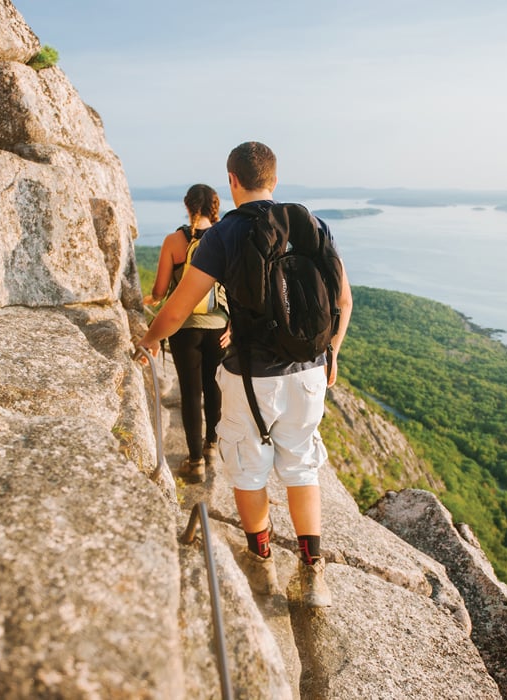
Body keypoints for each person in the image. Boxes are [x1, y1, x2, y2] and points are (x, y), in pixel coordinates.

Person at [136, 142, 353, 608]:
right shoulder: (310, 223)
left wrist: (149, 339)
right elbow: (343, 301)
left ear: (232, 180)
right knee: (301, 466)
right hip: (311, 371)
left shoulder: (224, 234)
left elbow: (177, 307)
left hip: (252, 377)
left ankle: (262, 561)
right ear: (274, 179)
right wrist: (331, 353)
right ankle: (313, 575)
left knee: (248, 468)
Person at [143, 184, 230, 483]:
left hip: (183, 329)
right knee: (214, 387)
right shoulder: (224, 239)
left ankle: (195, 463)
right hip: (219, 326)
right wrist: (234, 326)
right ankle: (212, 445)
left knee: (191, 393)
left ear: (187, 205)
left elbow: (159, 291)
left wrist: (148, 301)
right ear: (214, 207)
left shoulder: (173, 241)